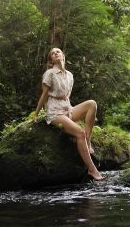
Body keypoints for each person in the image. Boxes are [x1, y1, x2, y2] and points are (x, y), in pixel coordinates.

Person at [34, 47, 104, 181]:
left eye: (58, 52)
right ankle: (92, 169)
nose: (55, 53)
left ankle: (88, 140)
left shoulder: (70, 75)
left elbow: (67, 96)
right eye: (52, 53)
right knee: (80, 133)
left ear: (63, 56)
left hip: (68, 109)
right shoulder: (49, 73)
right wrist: (36, 114)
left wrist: (69, 110)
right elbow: (44, 95)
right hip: (55, 112)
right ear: (51, 60)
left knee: (92, 104)